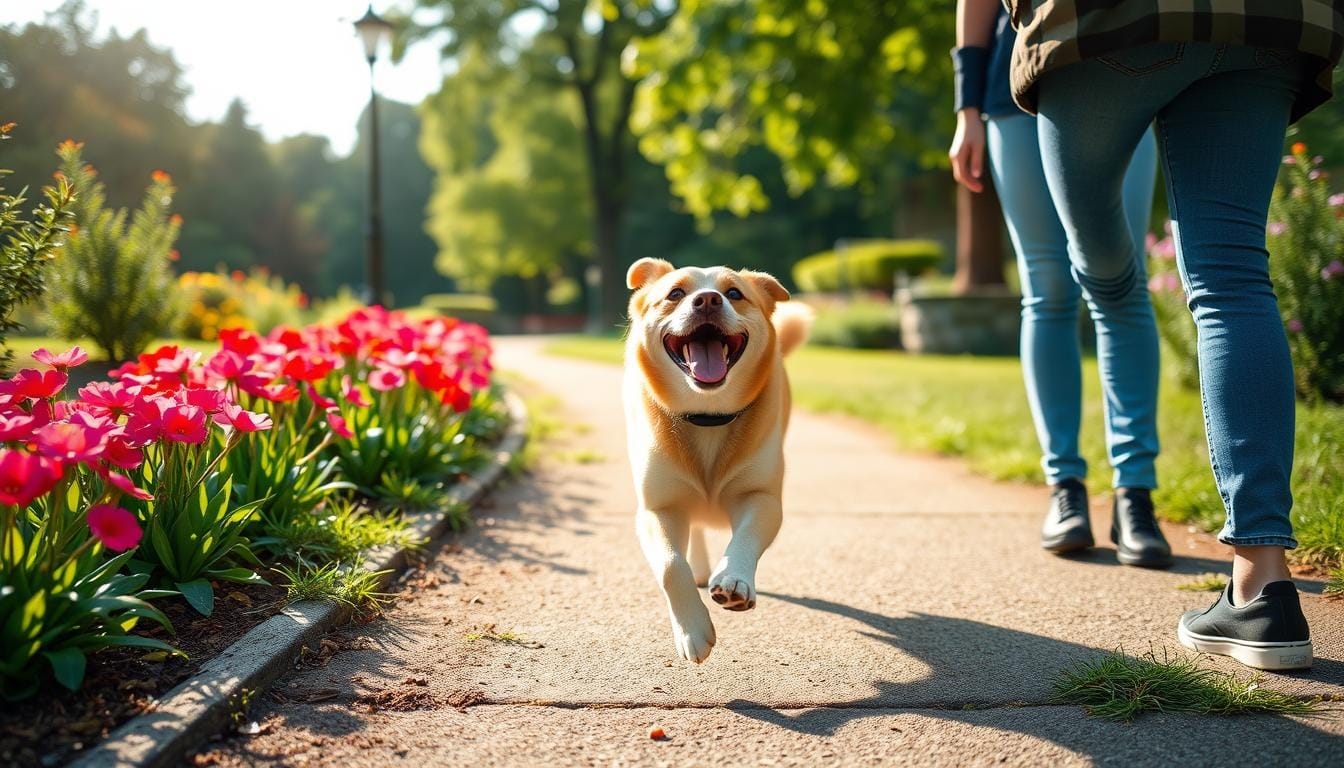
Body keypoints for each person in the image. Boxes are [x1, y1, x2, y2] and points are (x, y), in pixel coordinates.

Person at [1006, 0, 1343, 670]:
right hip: (1266, 20)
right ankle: (1264, 586)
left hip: (1103, 21)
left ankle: (1242, 572)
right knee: (1232, 279)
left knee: (1103, 270)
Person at [949, 0, 1170, 567]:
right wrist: (966, 108)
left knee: (1121, 286)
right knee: (1046, 289)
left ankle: (1135, 496)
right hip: (1017, 83)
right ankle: (1065, 490)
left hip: (1127, 66)